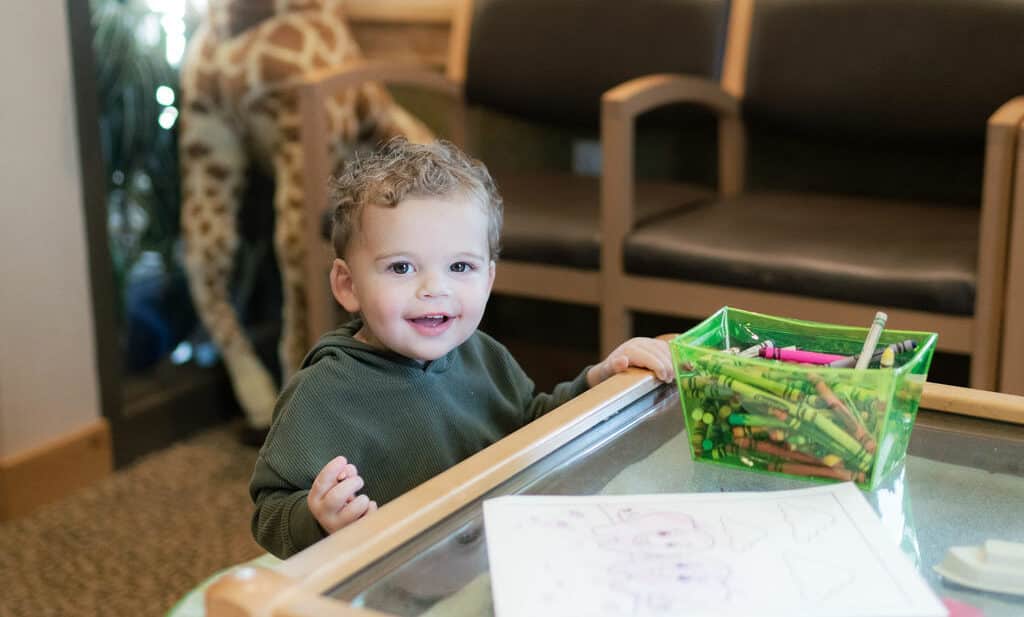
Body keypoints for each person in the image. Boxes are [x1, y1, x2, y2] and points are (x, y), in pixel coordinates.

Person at [250, 138, 674, 558]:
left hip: (485, 556)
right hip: (391, 581)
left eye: (459, 267)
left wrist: (599, 379)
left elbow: (528, 425)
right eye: (402, 267)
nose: (435, 288)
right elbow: (269, 511)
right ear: (348, 285)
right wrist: (318, 519)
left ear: (488, 279)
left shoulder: (483, 355)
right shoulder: (320, 394)